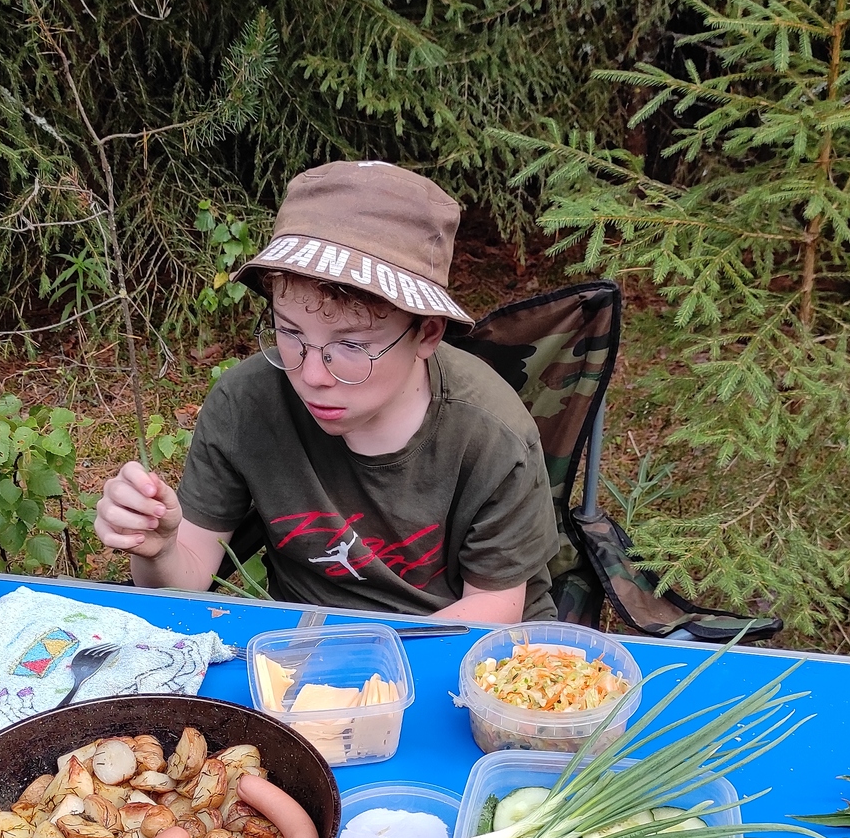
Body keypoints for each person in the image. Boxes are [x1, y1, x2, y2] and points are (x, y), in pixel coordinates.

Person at [95, 161, 560, 622]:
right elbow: (186, 581)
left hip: (454, 648)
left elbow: (497, 605)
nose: (312, 373)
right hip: (302, 647)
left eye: (352, 344)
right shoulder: (247, 404)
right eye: (290, 331)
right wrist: (157, 551)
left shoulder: (491, 435)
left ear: (427, 334)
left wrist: (361, 666)